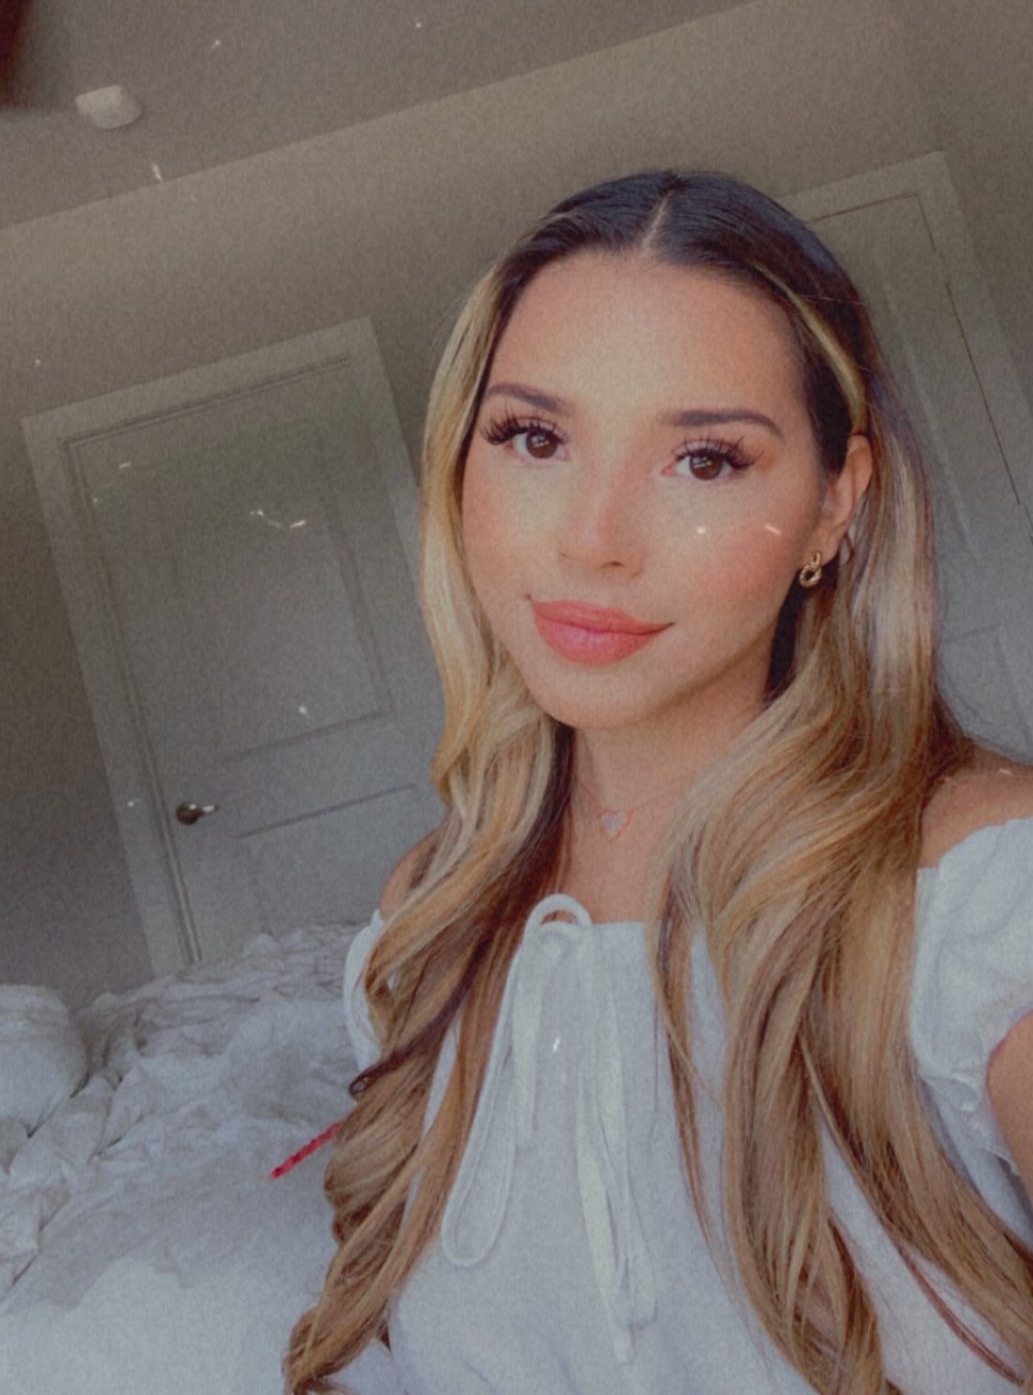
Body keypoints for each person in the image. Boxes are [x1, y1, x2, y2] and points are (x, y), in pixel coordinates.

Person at [287, 168, 1033, 1395]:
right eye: (534, 438)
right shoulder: (426, 917)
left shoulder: (980, 892)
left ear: (834, 507)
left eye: (703, 460)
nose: (594, 539)